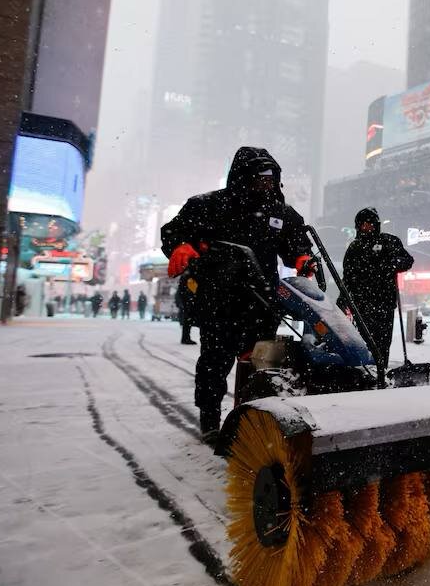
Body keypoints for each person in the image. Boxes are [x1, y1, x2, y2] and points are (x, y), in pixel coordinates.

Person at [162, 146, 313, 443]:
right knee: (215, 363)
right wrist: (182, 245)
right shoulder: (208, 205)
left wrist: (303, 258)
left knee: (263, 364)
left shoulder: (281, 213)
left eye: (271, 177)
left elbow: (297, 244)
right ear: (243, 176)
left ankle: (255, 417)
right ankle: (210, 420)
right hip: (220, 301)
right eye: (260, 176)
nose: (267, 182)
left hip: (263, 303)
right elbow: (175, 231)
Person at [340, 207, 413, 371]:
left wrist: (394, 263)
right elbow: (348, 277)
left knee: (382, 341)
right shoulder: (355, 248)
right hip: (362, 304)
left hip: (384, 302)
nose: (368, 228)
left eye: (371, 224)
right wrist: (343, 298)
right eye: (364, 225)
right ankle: (366, 369)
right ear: (358, 226)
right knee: (364, 339)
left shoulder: (389, 241)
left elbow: (407, 260)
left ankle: (380, 369)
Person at [176, 272, 197, 345]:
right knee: (188, 321)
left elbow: (181, 291)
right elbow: (184, 291)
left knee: (188, 321)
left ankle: (185, 338)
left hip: (187, 302)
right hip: (188, 302)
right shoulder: (188, 277)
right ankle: (185, 338)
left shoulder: (186, 276)